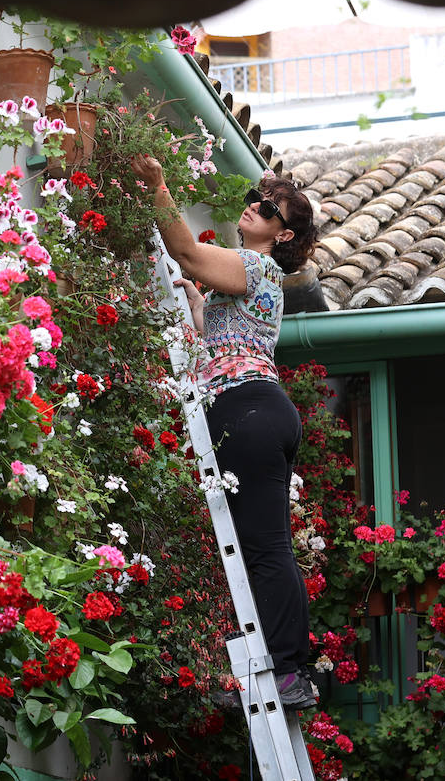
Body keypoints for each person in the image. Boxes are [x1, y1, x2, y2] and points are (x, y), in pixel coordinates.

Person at [131, 154, 319, 709]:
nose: (253, 207)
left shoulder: (257, 268)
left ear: (282, 234)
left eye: (268, 209)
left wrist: (159, 184)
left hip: (251, 410)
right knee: (261, 548)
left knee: (267, 550)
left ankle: (289, 673)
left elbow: (187, 251)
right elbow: (210, 326)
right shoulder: (239, 280)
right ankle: (281, 669)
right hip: (250, 409)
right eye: (256, 200)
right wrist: (194, 299)